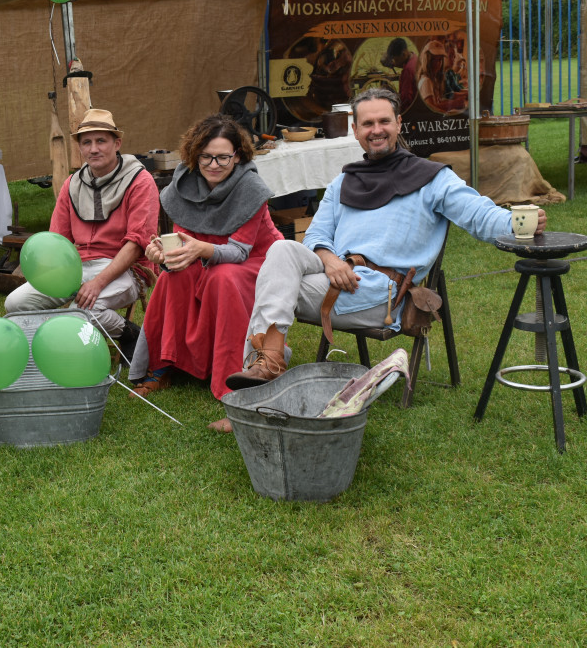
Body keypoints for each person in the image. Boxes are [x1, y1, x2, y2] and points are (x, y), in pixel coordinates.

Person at [226, 87, 548, 393]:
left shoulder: (432, 179)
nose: (376, 130)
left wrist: (519, 222)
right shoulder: (343, 182)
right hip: (336, 277)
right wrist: (331, 259)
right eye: (367, 123)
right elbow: (317, 236)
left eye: (384, 121)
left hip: (381, 295)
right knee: (283, 248)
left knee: (272, 290)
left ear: (398, 124)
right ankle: (268, 366)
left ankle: (260, 380)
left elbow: (480, 216)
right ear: (355, 130)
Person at [127, 114, 283, 429]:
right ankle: (165, 365)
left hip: (255, 261)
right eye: (206, 156)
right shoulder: (185, 183)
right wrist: (163, 253)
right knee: (176, 275)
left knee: (221, 277)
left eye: (223, 157)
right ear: (194, 155)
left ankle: (233, 386)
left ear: (237, 156)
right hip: (207, 258)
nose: (213, 164)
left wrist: (201, 251)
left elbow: (239, 252)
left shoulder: (251, 188)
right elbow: (183, 242)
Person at [4, 108, 159, 359]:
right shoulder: (72, 183)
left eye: (101, 141)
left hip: (127, 269)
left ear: (117, 143)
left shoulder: (139, 180)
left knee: (79, 312)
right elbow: (58, 241)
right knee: (16, 303)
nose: (93, 149)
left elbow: (137, 244)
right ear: (80, 147)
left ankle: (127, 332)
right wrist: (47, 274)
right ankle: (51, 348)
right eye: (86, 142)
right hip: (75, 267)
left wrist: (97, 283)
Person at [381, 37, 418, 109]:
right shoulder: (414, 58)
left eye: (396, 59)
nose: (394, 62)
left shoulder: (408, 70)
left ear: (403, 54)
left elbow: (406, 100)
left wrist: (391, 94)